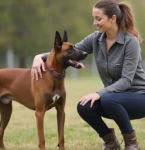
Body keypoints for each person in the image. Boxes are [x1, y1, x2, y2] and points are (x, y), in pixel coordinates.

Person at [31, 0, 145, 149]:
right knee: (84, 106)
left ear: (113, 19)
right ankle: (110, 142)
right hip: (112, 99)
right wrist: (39, 56)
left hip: (138, 98)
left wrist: (99, 93)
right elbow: (68, 50)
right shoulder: (96, 39)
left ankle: (131, 143)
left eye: (99, 19)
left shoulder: (131, 42)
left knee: (108, 99)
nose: (94, 23)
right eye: (94, 19)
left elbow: (126, 81)